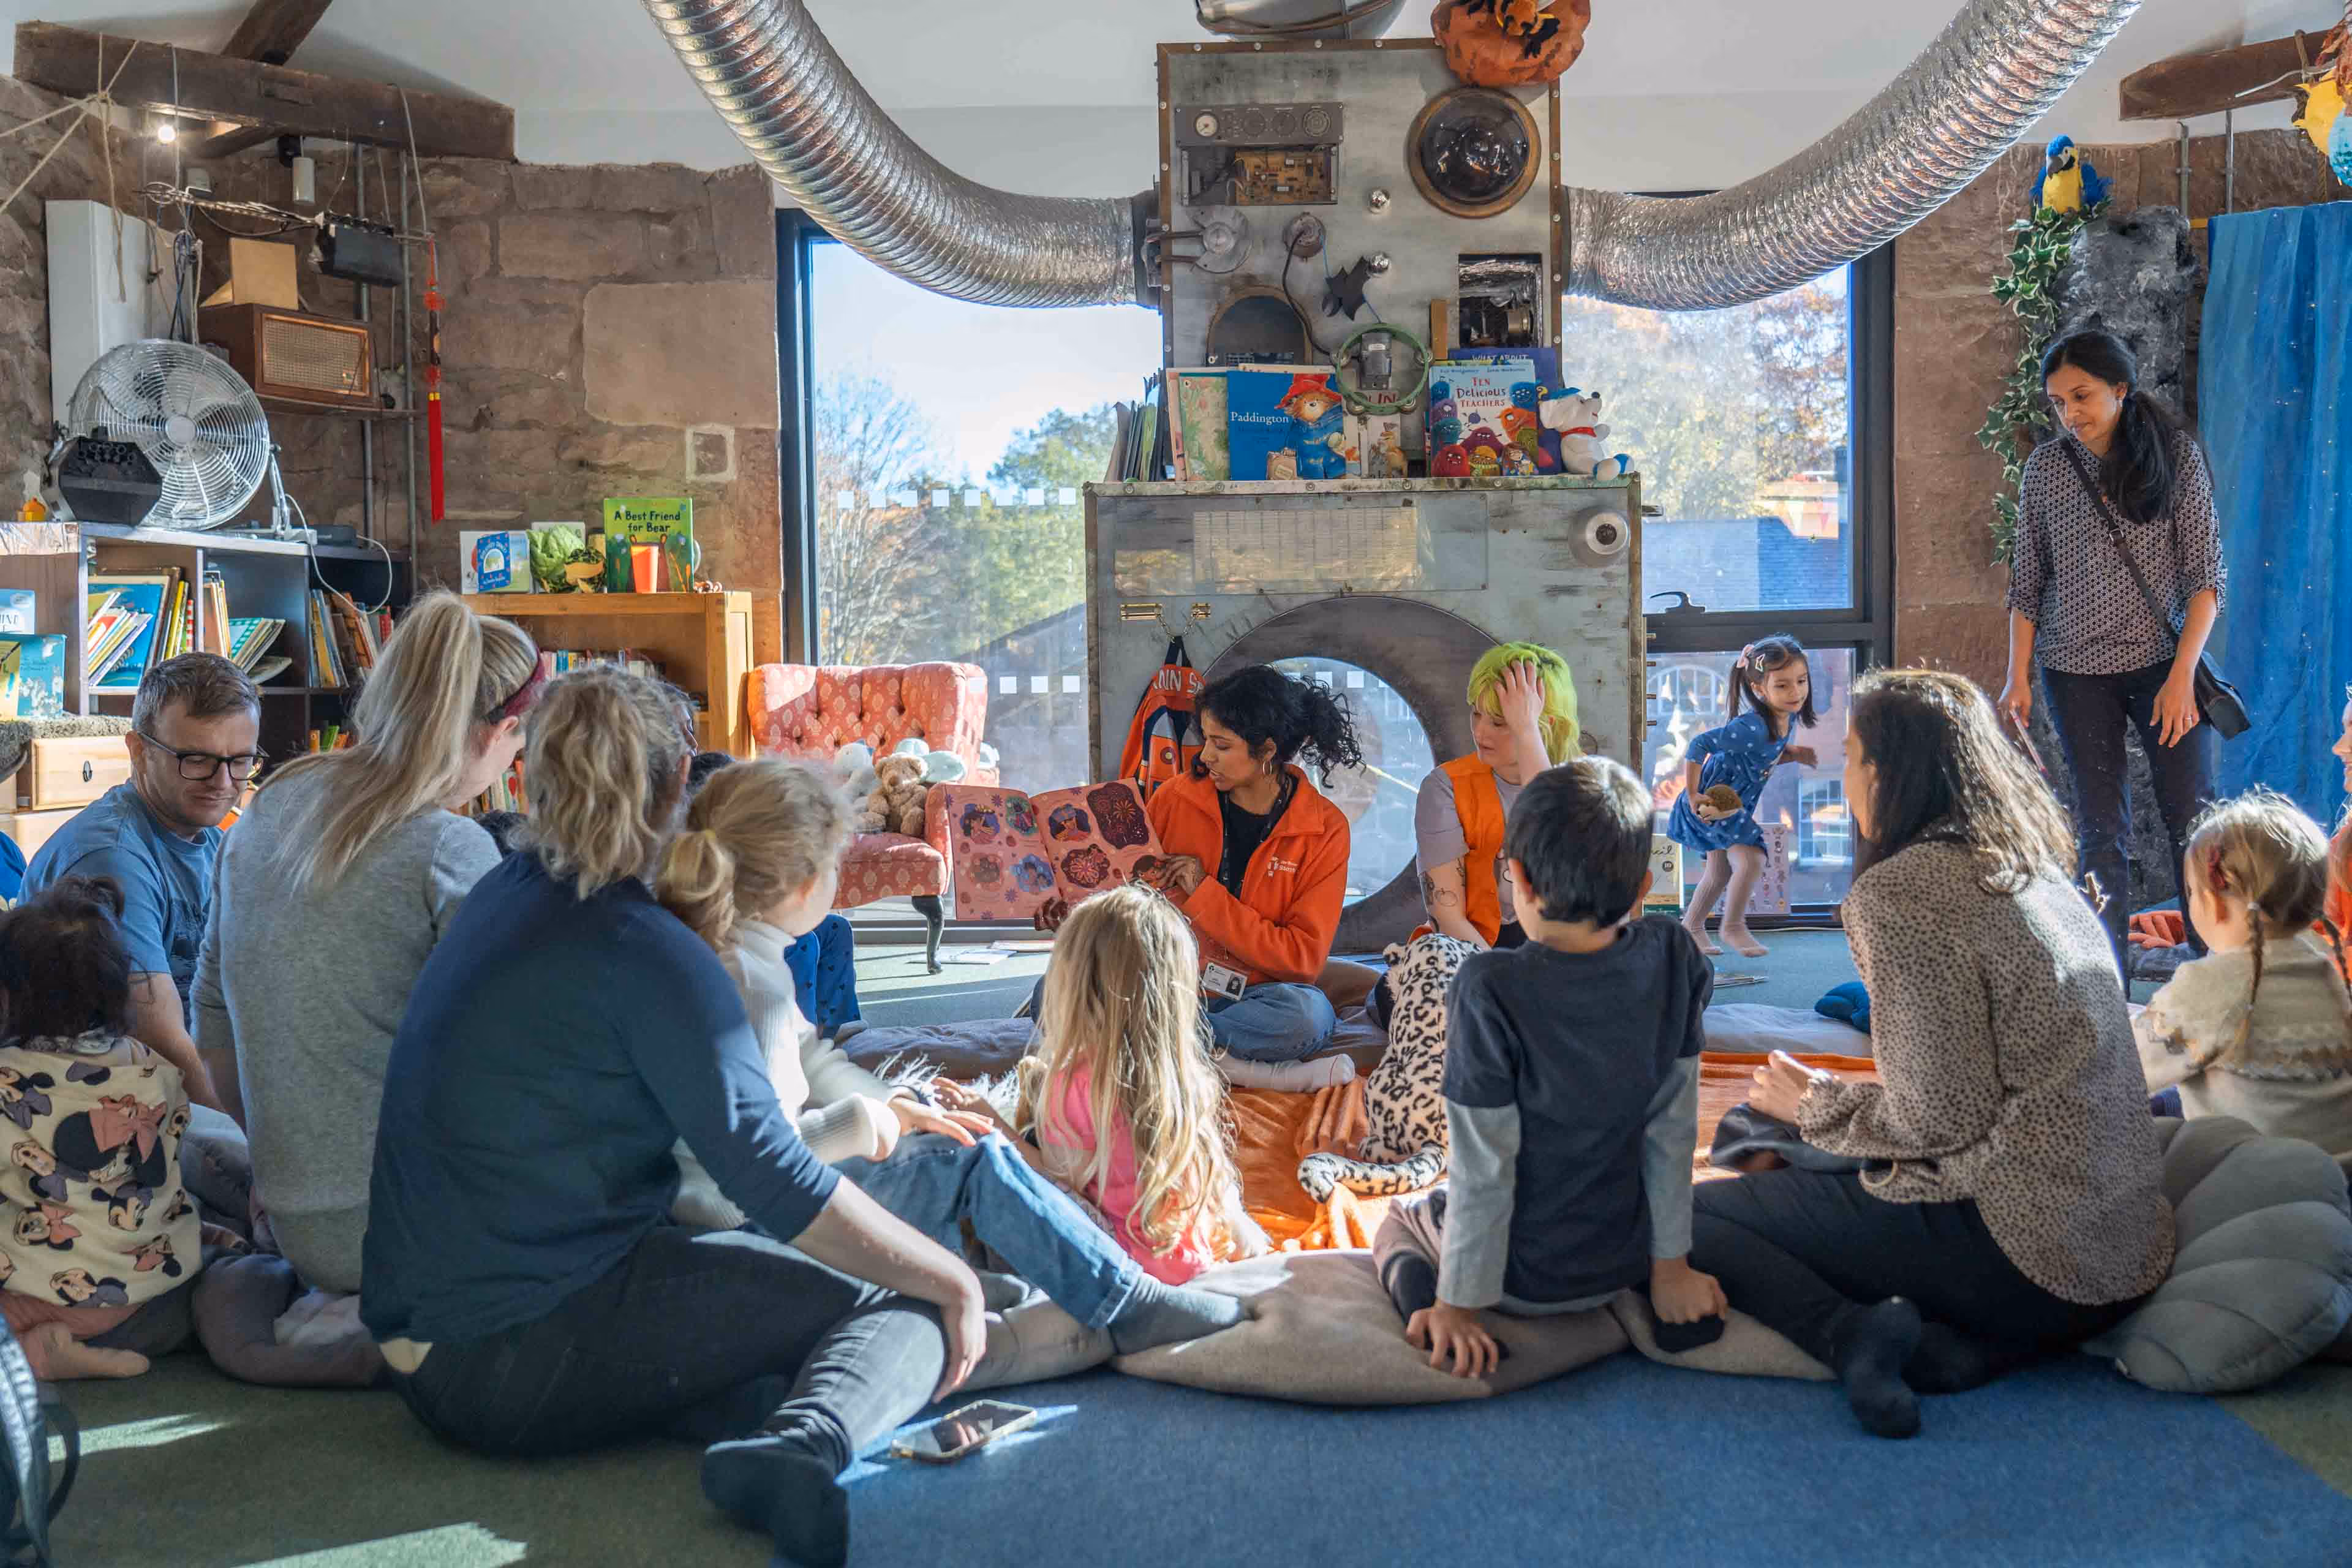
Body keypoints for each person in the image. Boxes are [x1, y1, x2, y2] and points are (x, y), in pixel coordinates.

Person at [363, 666, 990, 1567]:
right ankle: (800, 1450)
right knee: (905, 1299)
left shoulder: (505, 890)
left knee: (765, 1307)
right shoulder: (646, 950)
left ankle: (756, 1410)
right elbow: (772, 1181)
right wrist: (951, 1280)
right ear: (678, 779)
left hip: (415, 1344)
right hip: (505, 1361)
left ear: (528, 775)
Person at [1692, 669, 2173, 1440]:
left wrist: (1811, 1102)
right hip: (2124, 1257)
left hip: (2027, 1250)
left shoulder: (1902, 894)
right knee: (1766, 1139)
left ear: (1885, 771)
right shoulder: (2040, 874)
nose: (1842, 773)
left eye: (1850, 754)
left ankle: (1847, 1332)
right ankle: (1953, 1352)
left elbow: (1939, 1117)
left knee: (1680, 1215)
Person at [654, 760, 1242, 1347]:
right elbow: (746, 1176)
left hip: (754, 1205)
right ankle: (1129, 1304)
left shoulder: (748, 961)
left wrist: (899, 1101)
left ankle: (979, 1284)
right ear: (804, 882)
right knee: (964, 1160)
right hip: (748, 1223)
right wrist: (872, 1121)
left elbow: (813, 1062)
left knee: (933, 1128)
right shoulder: (752, 992)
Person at [195, 593, 539, 1296]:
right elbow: (516, 1067)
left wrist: (277, 1164)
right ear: (496, 732)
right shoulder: (449, 846)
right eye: (518, 743)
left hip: (295, 1221)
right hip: (415, 1232)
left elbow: (213, 1022)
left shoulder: (270, 804)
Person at [1374, 756, 1725, 1378]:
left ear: (1518, 882)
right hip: (1627, 1260)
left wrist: (1459, 1303)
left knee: (1400, 1220)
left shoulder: (1488, 985)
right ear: (1645, 889)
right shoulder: (1675, 955)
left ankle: (1437, 1317)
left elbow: (1485, 1166)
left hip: (1521, 1279)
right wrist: (1670, 1268)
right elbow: (1673, 1130)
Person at [1999, 328, 2225, 968]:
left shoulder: (2174, 456)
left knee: (2195, 824)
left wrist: (2183, 677)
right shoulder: (2046, 468)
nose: (2069, 414)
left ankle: (2214, 973)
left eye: (2081, 396)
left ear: (2120, 390)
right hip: (2074, 672)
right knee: (2100, 832)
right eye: (2058, 402)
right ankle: (2106, 988)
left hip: (2164, 666)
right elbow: (2026, 584)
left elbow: (2206, 579)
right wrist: (2017, 676)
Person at [1039, 664, 1359, 1066]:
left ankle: (1147, 1039)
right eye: (1206, 740)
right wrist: (1074, 908)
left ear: (1268, 751)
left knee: (1307, 1019)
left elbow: (1301, 962)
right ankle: (1209, 1055)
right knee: (1050, 992)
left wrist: (1203, 892)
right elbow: (1130, 897)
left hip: (1258, 997)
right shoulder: (1175, 798)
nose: (1206, 757)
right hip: (1165, 983)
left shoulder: (1325, 829)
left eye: (1221, 746)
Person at [23, 653, 257, 1117]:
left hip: (187, 1087)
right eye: (197, 760)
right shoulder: (111, 857)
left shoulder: (215, 838)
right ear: (137, 749)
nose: (224, 782)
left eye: (241, 761)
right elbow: (163, 1047)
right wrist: (269, 1139)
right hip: (116, 1106)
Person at [0, 877, 202, 1381]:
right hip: (150, 1284)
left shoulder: (9, 1079)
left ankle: (35, 1355)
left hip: (41, 1292)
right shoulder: (155, 1069)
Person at [1012, 884, 1264, 1284]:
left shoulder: (1072, 1085)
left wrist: (994, 1130)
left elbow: (1057, 1187)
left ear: (1071, 985)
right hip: (1190, 1268)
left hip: (1120, 1281)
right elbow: (1213, 1181)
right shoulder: (1183, 1078)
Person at [2133, 790, 2352, 1161]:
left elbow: (2130, 1068)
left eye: (2190, 892)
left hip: (2259, 1175)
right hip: (2340, 1165)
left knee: (2148, 1122)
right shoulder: (2327, 965)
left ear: (2215, 903)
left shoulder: (2213, 987)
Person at [1413, 642, 1580, 951]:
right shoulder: (1446, 786)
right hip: (1472, 952)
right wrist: (1497, 982)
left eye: (1500, 722)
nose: (1480, 732)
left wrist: (1527, 732)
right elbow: (1446, 915)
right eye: (1476, 714)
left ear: (1544, 727)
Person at [1664, 635, 1819, 958]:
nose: (1796, 692)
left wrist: (1793, 754)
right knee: (1751, 857)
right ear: (1760, 689)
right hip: (1716, 803)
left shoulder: (1784, 718)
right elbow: (1698, 746)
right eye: (1783, 686)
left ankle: (1690, 927)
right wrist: (1693, 794)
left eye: (1801, 681)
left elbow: (1762, 756)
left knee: (1720, 872)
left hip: (1735, 803)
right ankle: (1733, 926)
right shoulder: (1750, 727)